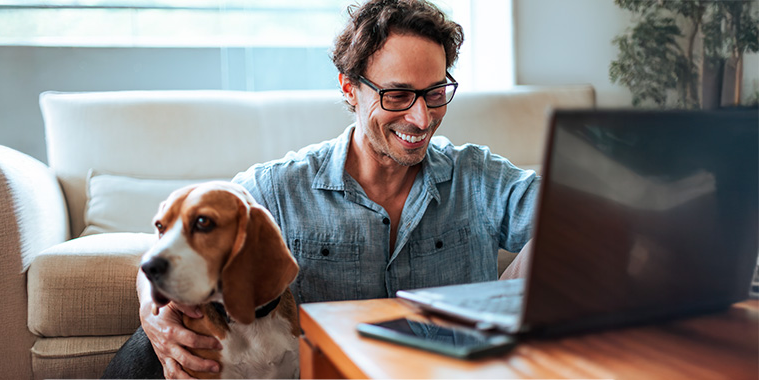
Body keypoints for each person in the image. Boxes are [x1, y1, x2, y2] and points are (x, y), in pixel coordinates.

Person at [138, 0, 539, 377]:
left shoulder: (478, 175)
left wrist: (499, 317)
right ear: (349, 87)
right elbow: (167, 242)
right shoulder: (280, 188)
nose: (421, 118)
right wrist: (150, 312)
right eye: (397, 95)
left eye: (435, 94)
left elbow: (580, 215)